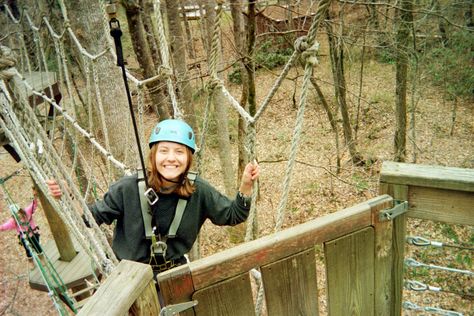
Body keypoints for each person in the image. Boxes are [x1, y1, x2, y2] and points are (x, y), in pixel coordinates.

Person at [46, 119, 259, 275]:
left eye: (179, 152)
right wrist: (69, 196)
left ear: (188, 158)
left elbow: (233, 215)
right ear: (153, 155)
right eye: (164, 151)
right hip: (129, 273)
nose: (171, 159)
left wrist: (245, 186)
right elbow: (89, 219)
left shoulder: (198, 190)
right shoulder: (127, 189)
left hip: (173, 273)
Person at [0, 195, 44, 265]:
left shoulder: (27, 211)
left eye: (18, 212)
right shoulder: (14, 221)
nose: (18, 215)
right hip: (24, 237)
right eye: (16, 214)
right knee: (28, 251)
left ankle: (42, 259)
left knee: (37, 247)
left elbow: (34, 204)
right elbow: (4, 226)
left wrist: (35, 196)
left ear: (20, 210)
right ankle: (31, 262)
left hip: (33, 234)